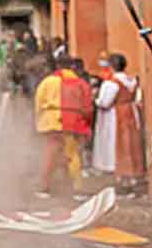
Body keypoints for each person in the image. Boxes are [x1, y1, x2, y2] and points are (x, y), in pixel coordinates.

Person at [34, 55, 93, 198]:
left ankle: (44, 187)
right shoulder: (81, 83)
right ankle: (77, 189)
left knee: (50, 154)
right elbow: (88, 107)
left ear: (57, 66)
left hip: (51, 122)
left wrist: (39, 121)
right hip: (73, 122)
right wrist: (86, 125)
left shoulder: (47, 82)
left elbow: (38, 104)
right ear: (72, 66)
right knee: (73, 155)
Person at [92, 52, 146, 195]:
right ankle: (132, 175)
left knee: (116, 145)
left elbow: (104, 102)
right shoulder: (132, 81)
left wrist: (95, 99)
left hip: (114, 115)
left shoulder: (111, 83)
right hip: (131, 114)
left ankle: (120, 177)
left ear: (111, 66)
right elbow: (138, 99)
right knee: (131, 144)